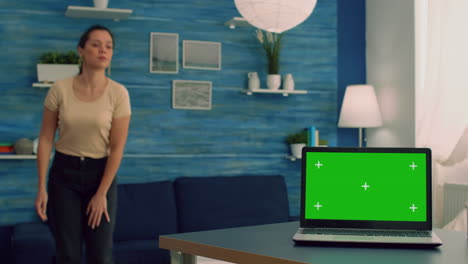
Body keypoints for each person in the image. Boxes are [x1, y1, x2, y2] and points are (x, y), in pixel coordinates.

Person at [34, 24, 131, 264]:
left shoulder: (119, 93)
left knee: (101, 256)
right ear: (81, 50)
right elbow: (46, 138)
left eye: (108, 46)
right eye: (96, 44)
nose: (103, 50)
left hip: (101, 175)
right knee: (68, 255)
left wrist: (102, 193)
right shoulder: (60, 89)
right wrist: (41, 186)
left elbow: (117, 148)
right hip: (64, 175)